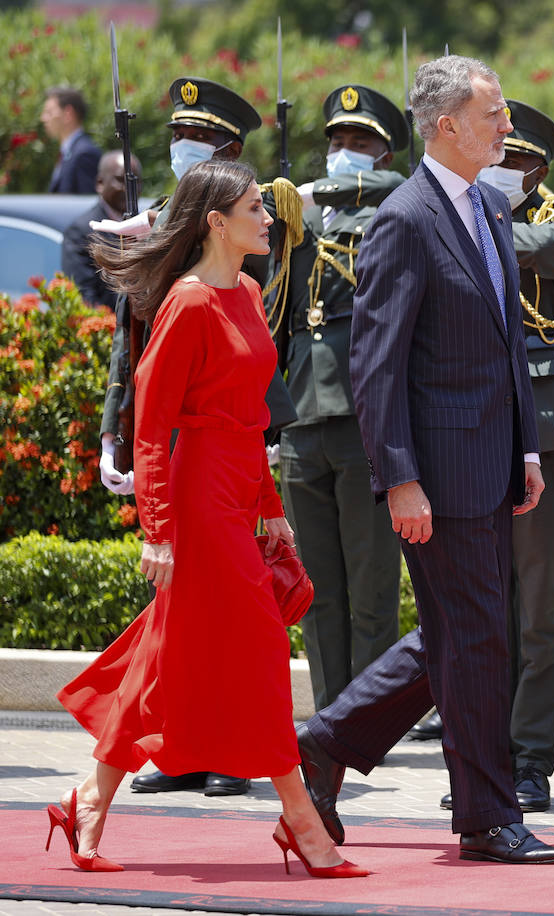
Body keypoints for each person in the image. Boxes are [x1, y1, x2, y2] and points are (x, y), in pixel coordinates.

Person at [49, 159, 366, 879]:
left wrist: (270, 507)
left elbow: (253, 417)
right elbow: (153, 427)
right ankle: (304, 824)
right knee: (259, 644)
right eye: (256, 207)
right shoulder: (188, 303)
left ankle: (85, 805)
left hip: (236, 487)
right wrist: (156, 529)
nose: (268, 217)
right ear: (215, 222)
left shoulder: (250, 293)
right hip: (193, 499)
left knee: (162, 654)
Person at [348, 54, 554, 864]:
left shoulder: (489, 209)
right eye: (495, 114)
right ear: (447, 125)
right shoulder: (406, 218)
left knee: (461, 633)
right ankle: (487, 815)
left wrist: (528, 448)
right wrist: (400, 477)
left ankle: (325, 745)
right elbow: (375, 366)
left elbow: (508, 345)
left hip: (493, 462)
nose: (508, 128)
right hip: (438, 475)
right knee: (475, 640)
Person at [94, 76, 292, 799]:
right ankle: (273, 789)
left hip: (237, 463)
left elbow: (263, 372)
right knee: (215, 630)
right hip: (198, 472)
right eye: (179, 137)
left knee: (183, 633)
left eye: (201, 141)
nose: (183, 149)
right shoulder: (171, 260)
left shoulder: (250, 262)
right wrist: (114, 432)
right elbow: (142, 363)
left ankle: (100, 793)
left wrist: (268, 481)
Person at [266, 84, 408, 712]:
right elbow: (274, 318)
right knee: (317, 585)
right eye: (336, 142)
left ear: (383, 156)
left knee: (372, 584)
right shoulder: (300, 220)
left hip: (366, 418)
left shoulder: (395, 210)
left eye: (360, 143)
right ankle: (330, 714)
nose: (343, 153)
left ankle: (367, 716)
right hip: (302, 414)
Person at [61, 150, 142, 311]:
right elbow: (84, 295)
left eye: (135, 182)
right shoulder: (81, 232)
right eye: (121, 180)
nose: (129, 189)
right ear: (100, 183)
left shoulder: (146, 226)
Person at [42, 86, 101, 194]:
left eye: (49, 112)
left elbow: (87, 204)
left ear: (68, 114)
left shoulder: (84, 154)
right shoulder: (70, 152)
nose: (43, 118)